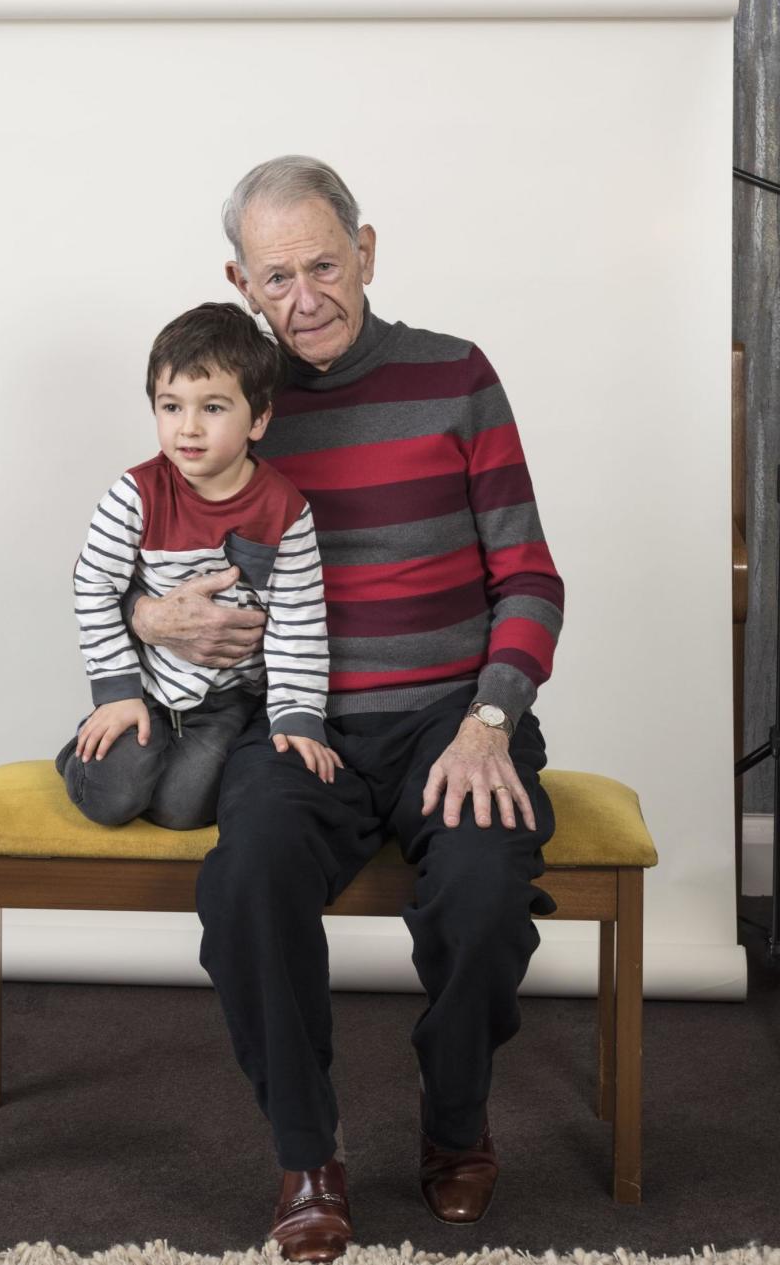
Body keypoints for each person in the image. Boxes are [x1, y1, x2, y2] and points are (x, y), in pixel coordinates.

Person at [128, 158, 565, 1259]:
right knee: (245, 877)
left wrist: (491, 720)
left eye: (325, 264)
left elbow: (531, 578)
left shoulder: (456, 376)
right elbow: (140, 559)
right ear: (240, 278)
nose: (305, 295)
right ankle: (306, 1153)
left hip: (451, 720)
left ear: (366, 251)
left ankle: (455, 1118)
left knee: (481, 889)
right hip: (296, 719)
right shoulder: (238, 401)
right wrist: (149, 620)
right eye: (276, 276)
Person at [55, 302, 341, 832]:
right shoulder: (134, 495)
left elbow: (299, 621)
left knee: (184, 809)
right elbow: (92, 584)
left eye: (212, 408)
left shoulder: (286, 510)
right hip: (145, 686)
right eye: (171, 407)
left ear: (258, 418)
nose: (188, 428)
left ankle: (158, 766)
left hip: (227, 702)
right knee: (116, 795)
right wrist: (117, 694)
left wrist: (299, 716)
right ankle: (80, 757)